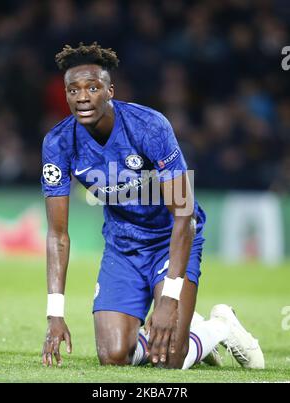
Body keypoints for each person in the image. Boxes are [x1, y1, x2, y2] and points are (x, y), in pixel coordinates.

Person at [41, 42, 264, 370]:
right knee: (114, 357)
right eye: (72, 89)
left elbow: (184, 216)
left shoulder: (149, 126)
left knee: (168, 361)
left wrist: (170, 299)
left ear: (110, 91)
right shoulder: (58, 143)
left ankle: (220, 326)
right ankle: (193, 333)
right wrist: (55, 315)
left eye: (93, 87)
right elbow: (57, 235)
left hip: (169, 241)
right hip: (122, 248)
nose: (82, 96)